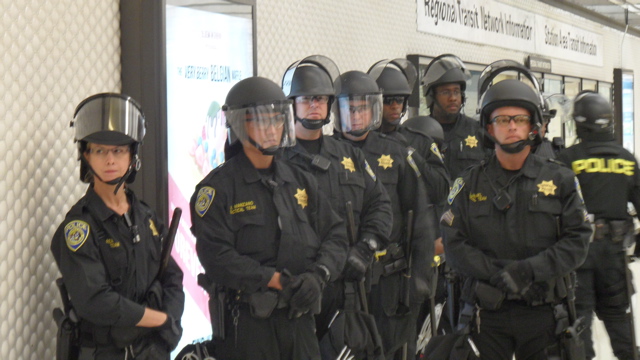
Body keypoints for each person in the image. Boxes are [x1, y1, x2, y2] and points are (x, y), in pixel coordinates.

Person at [190, 76, 348, 360]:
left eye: (277, 120)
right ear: (239, 125)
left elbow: (336, 234)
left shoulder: (302, 180)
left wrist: (319, 275)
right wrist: (272, 279)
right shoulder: (217, 190)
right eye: (262, 121)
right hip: (248, 326)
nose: (272, 129)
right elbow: (216, 256)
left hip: (300, 320)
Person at [441, 78, 592, 359]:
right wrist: (496, 274)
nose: (511, 126)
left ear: (532, 126)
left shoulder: (561, 180)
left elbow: (578, 241)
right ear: (489, 128)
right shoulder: (468, 183)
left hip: (544, 314)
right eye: (502, 120)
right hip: (485, 315)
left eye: (519, 119)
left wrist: (527, 271)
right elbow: (454, 244)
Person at [50, 93, 185, 359]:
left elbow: (173, 277)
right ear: (85, 155)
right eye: (99, 151)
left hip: (153, 351)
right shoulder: (79, 227)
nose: (110, 160)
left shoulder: (146, 217)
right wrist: (158, 320)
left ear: (132, 155)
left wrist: (170, 318)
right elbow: (96, 301)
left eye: (118, 151)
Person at [281, 55, 392, 359]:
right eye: (305, 99)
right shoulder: (276, 161)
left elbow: (380, 204)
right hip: (297, 290)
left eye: (320, 99)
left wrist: (367, 246)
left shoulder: (349, 155)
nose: (314, 105)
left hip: (347, 288)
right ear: (291, 105)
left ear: (330, 106)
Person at [333, 70, 438, 359]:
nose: (356, 116)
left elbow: (420, 220)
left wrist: (420, 278)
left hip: (391, 283)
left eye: (363, 108)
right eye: (349, 108)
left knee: (390, 350)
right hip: (342, 280)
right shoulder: (326, 155)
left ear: (374, 111)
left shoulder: (396, 153)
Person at [557, 90, 640, 360]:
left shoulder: (567, 160)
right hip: (614, 255)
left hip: (576, 256)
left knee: (579, 320)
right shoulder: (627, 160)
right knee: (619, 320)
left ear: (581, 123)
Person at [368, 58, 450, 215]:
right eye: (388, 100)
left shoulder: (419, 141)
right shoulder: (362, 142)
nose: (395, 106)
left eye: (399, 100)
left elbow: (442, 191)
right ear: (374, 102)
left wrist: (410, 152)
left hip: (409, 230)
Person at [423, 54, 489, 178]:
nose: (453, 98)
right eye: (445, 92)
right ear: (431, 96)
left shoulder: (478, 131)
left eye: (456, 91)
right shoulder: (420, 134)